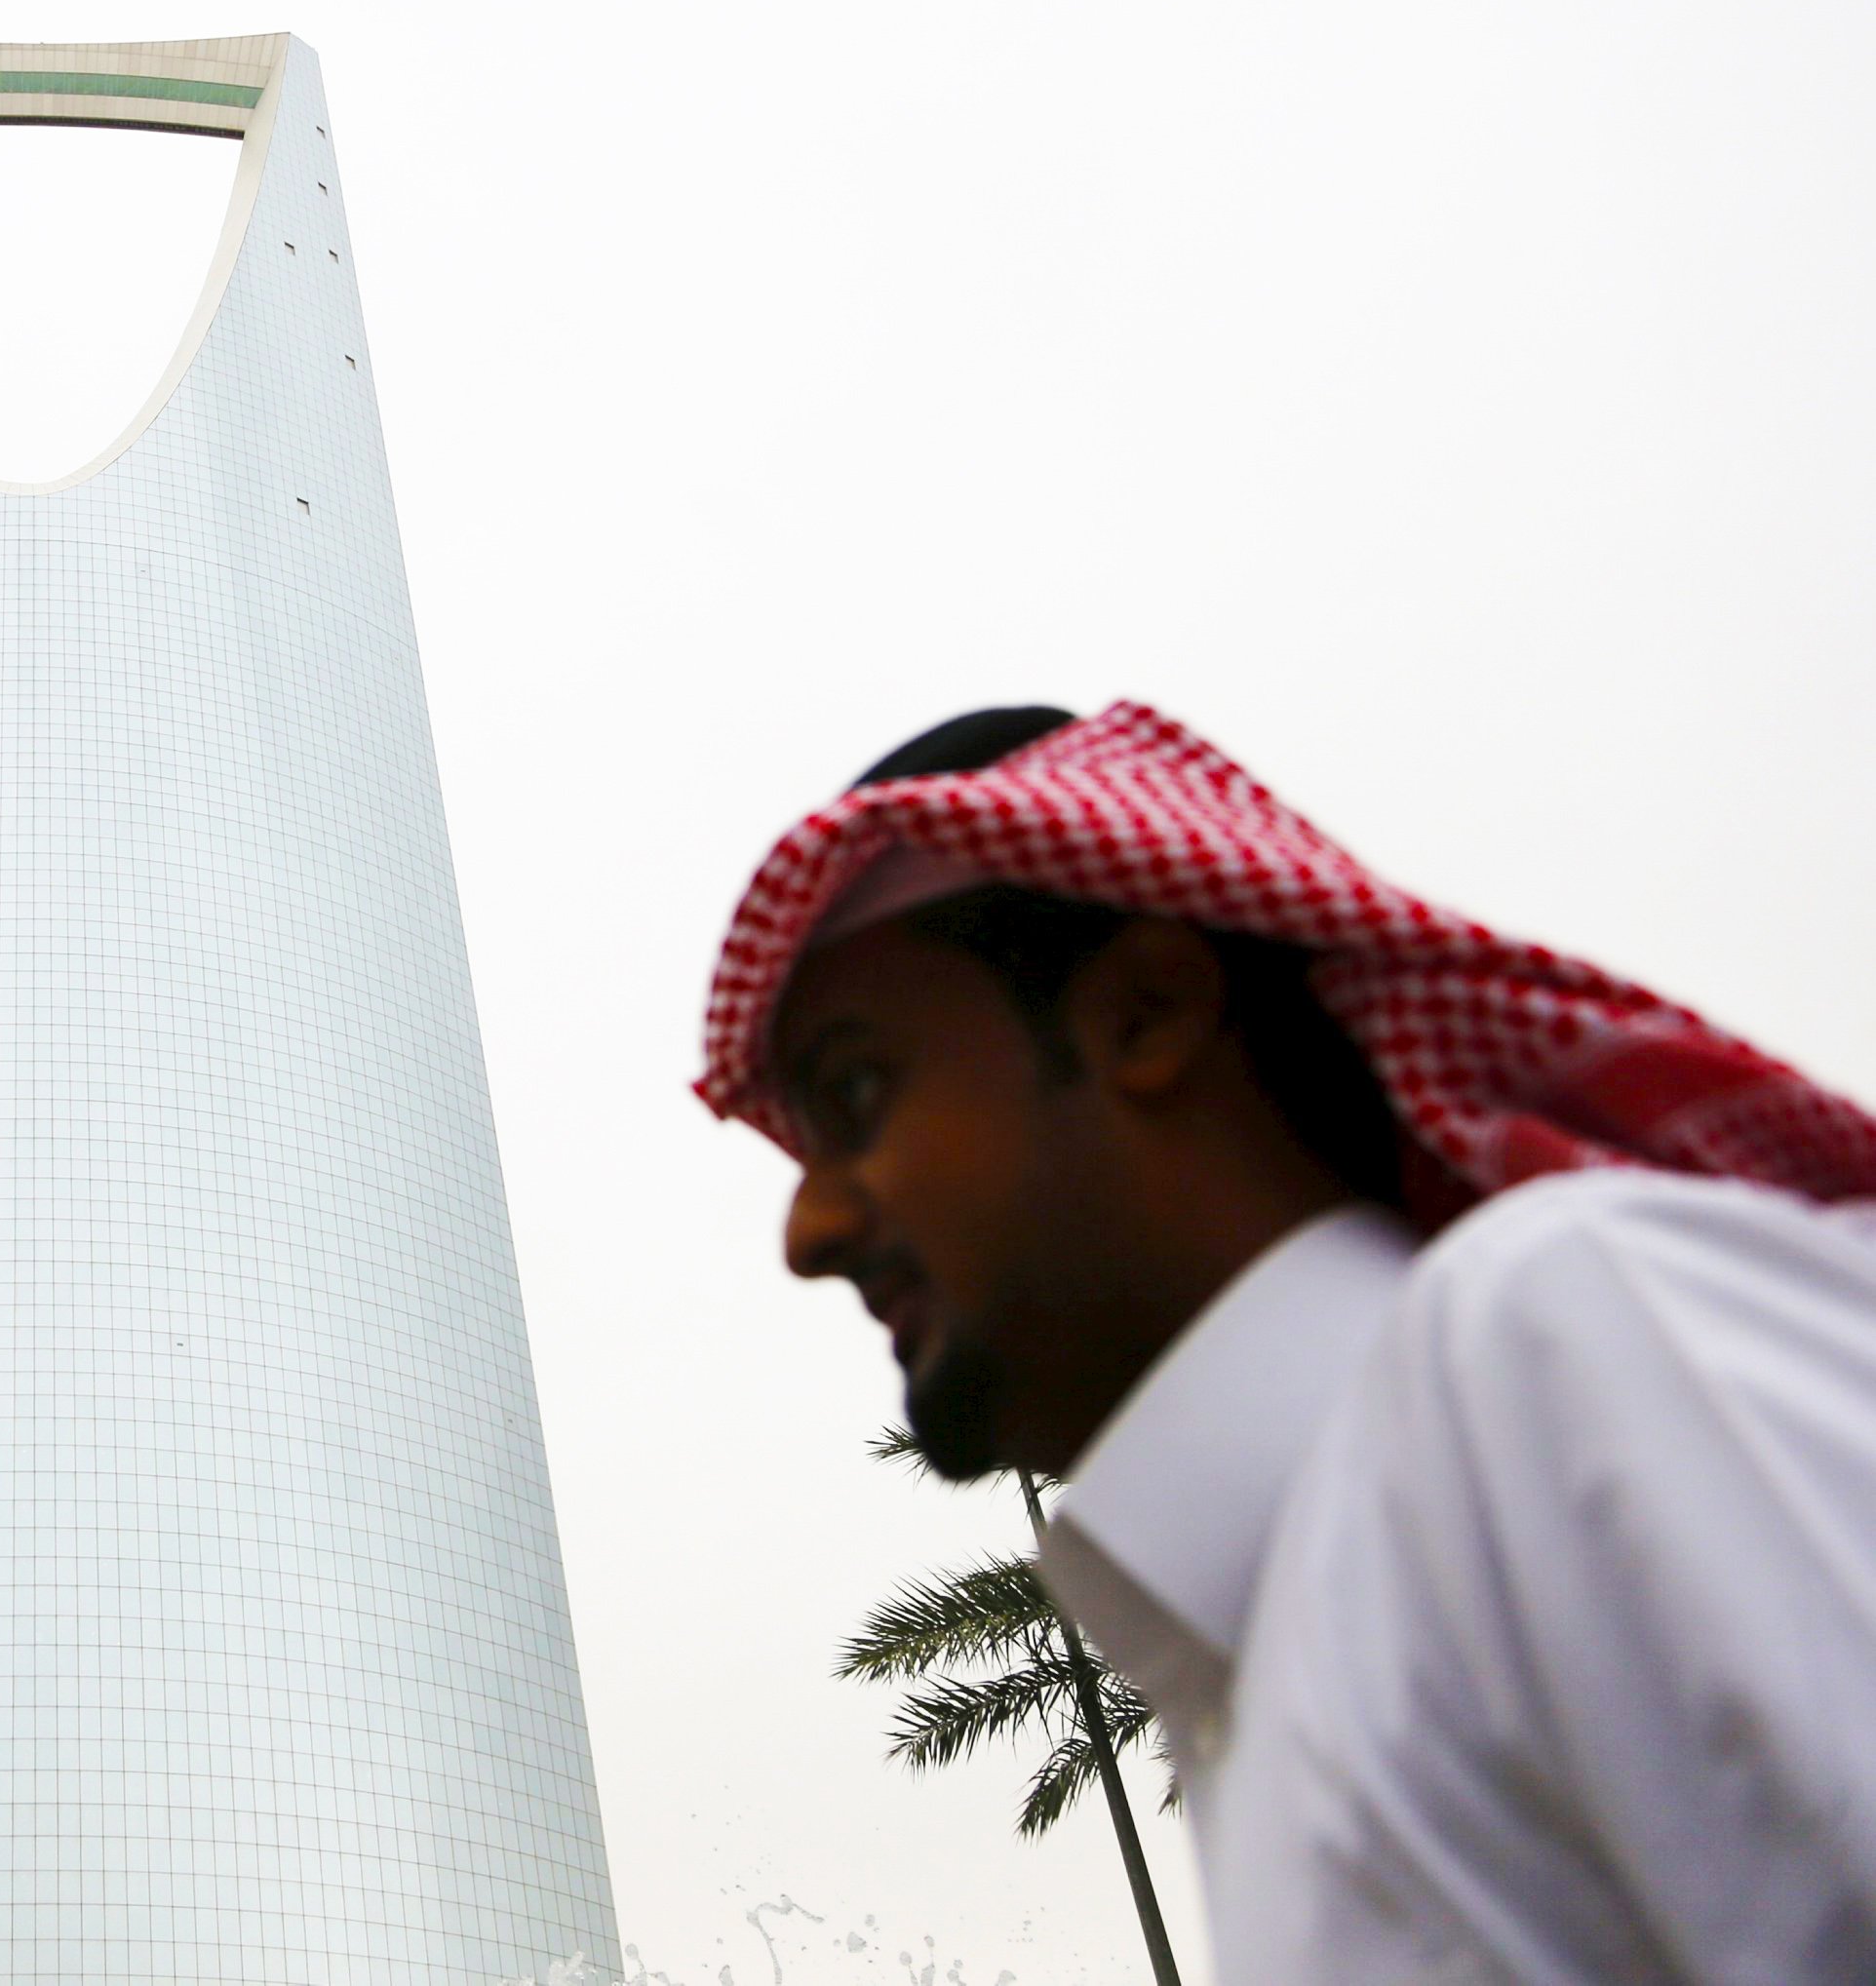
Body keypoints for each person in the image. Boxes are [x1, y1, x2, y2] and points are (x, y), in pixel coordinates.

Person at [694, 700, 1876, 1983]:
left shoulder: (1545, 1333)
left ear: (1144, 1012)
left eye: (858, 1094)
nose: (806, 1231)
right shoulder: (1263, 1660)